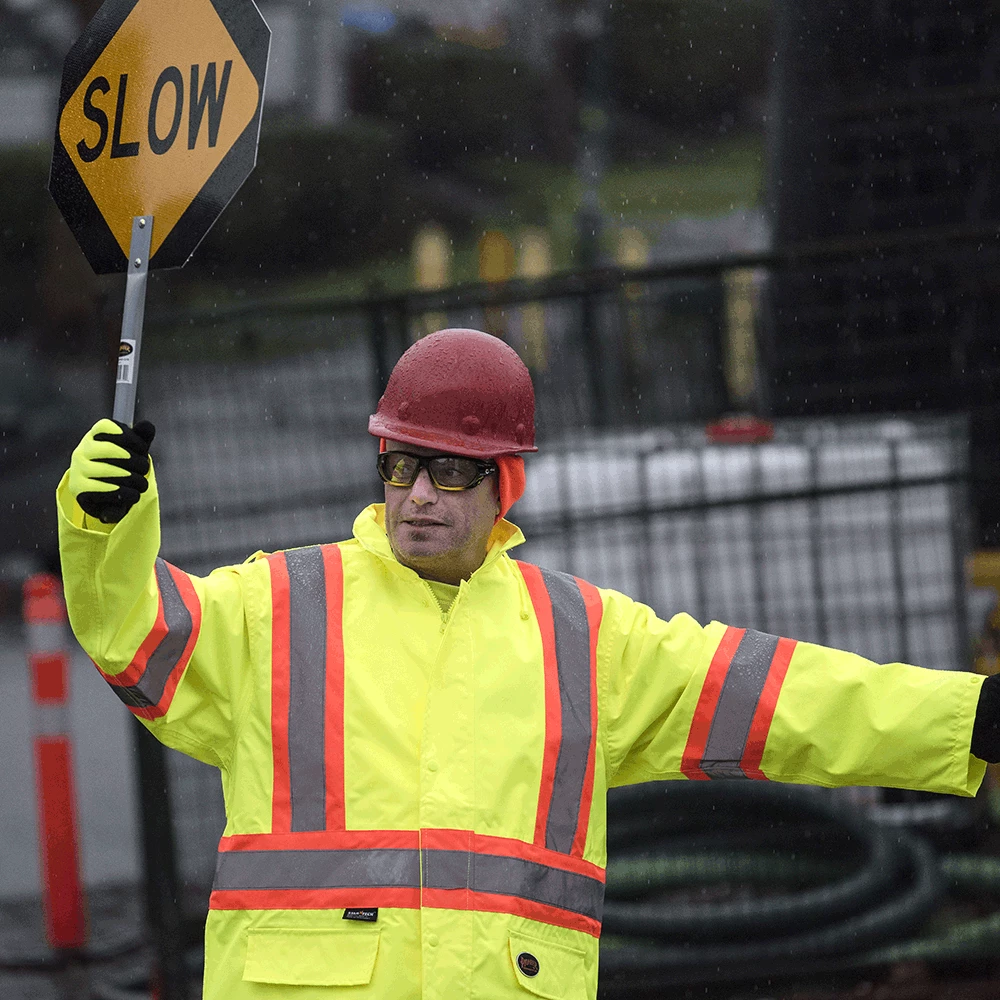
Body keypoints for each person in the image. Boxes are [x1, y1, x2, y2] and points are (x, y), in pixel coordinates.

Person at [58, 327, 1000, 1000]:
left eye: (452, 470)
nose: (418, 495)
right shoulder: (275, 608)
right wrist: (104, 525)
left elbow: (783, 699)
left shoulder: (585, 641)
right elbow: (133, 633)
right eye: (399, 465)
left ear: (504, 481)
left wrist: (966, 720)